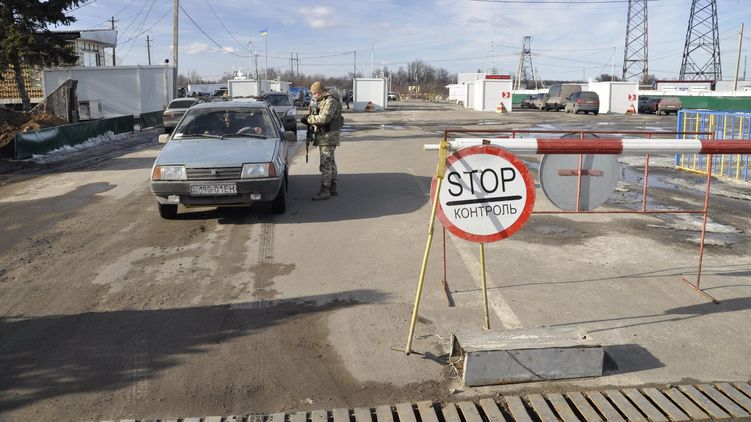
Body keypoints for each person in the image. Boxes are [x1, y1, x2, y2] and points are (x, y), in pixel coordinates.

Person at [301, 81, 343, 201]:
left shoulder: (330, 101)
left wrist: (309, 119)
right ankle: (332, 188)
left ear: (319, 92)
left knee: (325, 164)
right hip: (327, 136)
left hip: (328, 136)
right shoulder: (325, 100)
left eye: (314, 94)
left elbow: (324, 118)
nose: (313, 96)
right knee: (331, 162)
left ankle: (325, 190)